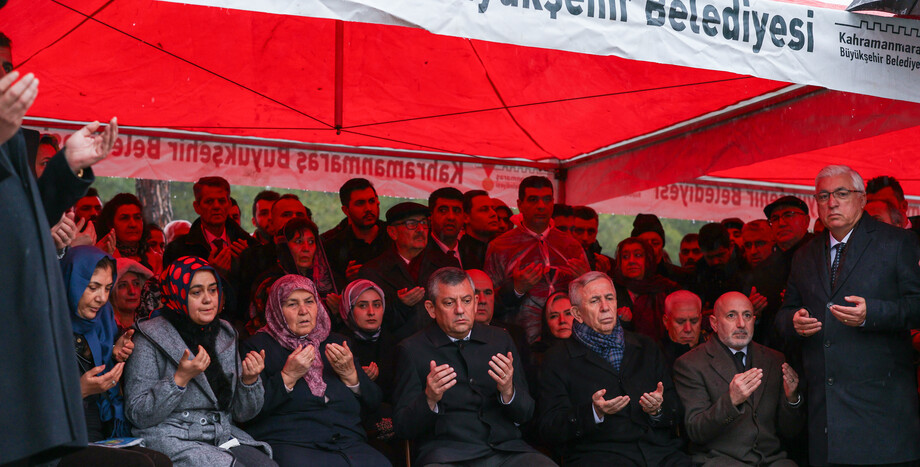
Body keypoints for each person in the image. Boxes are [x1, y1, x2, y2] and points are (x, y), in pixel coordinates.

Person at [0, 41, 119, 462]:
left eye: (8, 65)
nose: (8, 77)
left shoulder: (13, 135)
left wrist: (66, 168)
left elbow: (23, 212)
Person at [777, 165, 920, 466]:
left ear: (861, 199)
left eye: (842, 194)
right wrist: (794, 321)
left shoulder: (895, 242)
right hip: (825, 418)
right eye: (824, 195)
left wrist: (873, 313)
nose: (832, 203)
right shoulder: (805, 255)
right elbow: (783, 313)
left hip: (880, 417)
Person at [393, 267, 556, 466]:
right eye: (449, 303)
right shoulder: (412, 349)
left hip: (505, 451)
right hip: (447, 456)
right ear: (431, 309)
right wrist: (429, 398)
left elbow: (526, 414)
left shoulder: (500, 340)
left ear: (475, 303)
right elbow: (403, 427)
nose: (460, 310)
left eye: (467, 301)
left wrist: (508, 392)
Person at [123, 257, 275, 467]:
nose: (208, 299)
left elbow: (242, 414)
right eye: (196, 292)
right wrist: (179, 379)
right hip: (171, 439)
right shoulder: (149, 337)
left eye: (212, 290)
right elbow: (138, 414)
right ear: (177, 294)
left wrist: (249, 381)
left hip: (220, 436)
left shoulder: (225, 334)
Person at [537, 271, 688, 466]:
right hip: (600, 456)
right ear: (577, 314)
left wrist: (657, 409)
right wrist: (593, 412)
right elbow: (549, 428)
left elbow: (676, 410)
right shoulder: (557, 358)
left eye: (610, 298)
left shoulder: (646, 347)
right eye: (594, 301)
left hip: (660, 453)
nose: (605, 307)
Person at [240, 275, 389, 466]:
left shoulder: (336, 342)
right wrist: (288, 377)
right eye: (292, 304)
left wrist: (352, 376)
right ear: (277, 310)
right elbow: (248, 413)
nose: (304, 311)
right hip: (293, 443)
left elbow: (374, 401)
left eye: (309, 302)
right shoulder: (259, 347)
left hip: (347, 442)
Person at [60, 246, 172, 467]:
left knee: (159, 461)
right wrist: (79, 390)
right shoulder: (47, 327)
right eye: (92, 287)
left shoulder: (101, 320)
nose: (101, 298)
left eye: (107, 288)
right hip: (55, 438)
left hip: (95, 427)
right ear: (71, 282)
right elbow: (30, 402)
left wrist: (113, 352)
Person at [673, 292, 804, 466]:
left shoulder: (774, 359)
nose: (741, 324)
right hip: (721, 461)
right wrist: (731, 401)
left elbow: (791, 432)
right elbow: (696, 431)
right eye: (731, 316)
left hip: (772, 460)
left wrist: (792, 400)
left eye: (747, 316)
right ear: (714, 323)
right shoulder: (690, 364)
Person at [485, 176, 588, 344]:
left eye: (547, 200)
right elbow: (485, 306)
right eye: (533, 200)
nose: (541, 206)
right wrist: (516, 289)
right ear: (519, 205)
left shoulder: (572, 247)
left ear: (553, 202)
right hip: (519, 343)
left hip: (569, 343)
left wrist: (587, 282)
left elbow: (592, 301)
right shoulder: (500, 247)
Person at [359, 202, 459, 340]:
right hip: (396, 350)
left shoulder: (447, 265)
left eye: (424, 223)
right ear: (392, 232)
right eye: (411, 224)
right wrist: (400, 305)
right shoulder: (374, 271)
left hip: (442, 346)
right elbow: (367, 320)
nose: (420, 229)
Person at [743, 195, 813, 347]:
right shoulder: (764, 269)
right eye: (775, 218)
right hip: (776, 347)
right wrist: (753, 313)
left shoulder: (822, 253)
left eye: (789, 215)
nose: (781, 223)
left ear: (806, 221)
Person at [248, 217, 337, 335]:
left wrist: (339, 312)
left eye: (311, 242)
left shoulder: (327, 280)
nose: (306, 249)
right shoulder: (271, 283)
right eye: (298, 242)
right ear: (285, 247)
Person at [322, 178, 393, 287]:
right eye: (360, 203)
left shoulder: (394, 237)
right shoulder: (333, 247)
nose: (368, 208)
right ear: (346, 210)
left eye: (371, 201)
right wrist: (347, 281)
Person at [612, 237, 679, 342]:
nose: (631, 261)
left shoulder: (666, 288)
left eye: (638, 255)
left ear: (648, 259)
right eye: (625, 257)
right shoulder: (611, 291)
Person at [631, 213, 693, 287]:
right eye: (644, 244)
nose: (650, 248)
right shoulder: (624, 277)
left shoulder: (679, 277)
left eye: (655, 243)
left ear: (661, 247)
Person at [95, 193, 151, 269]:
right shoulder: (99, 255)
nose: (133, 224)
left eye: (137, 218)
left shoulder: (154, 258)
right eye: (124, 218)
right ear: (110, 224)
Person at [659, 290, 705, 372]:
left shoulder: (715, 353)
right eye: (680, 322)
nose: (688, 329)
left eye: (694, 321)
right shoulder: (654, 359)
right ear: (666, 322)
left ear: (700, 320)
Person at [458, 189, 500, 271]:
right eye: (484, 209)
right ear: (466, 217)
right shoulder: (460, 254)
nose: (493, 214)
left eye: (493, 208)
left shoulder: (497, 249)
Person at [111, 258, 154, 333]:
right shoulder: (103, 328)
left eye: (136, 284)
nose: (132, 291)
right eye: (123, 285)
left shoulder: (152, 322)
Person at [428, 187, 465, 266]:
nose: (451, 217)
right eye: (443, 210)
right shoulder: (419, 254)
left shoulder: (472, 255)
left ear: (464, 217)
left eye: (456, 211)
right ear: (431, 216)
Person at [571, 206, 613, 273]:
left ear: (596, 231)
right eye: (579, 231)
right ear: (569, 230)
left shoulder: (608, 264)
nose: (585, 237)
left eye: (591, 231)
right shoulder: (557, 260)